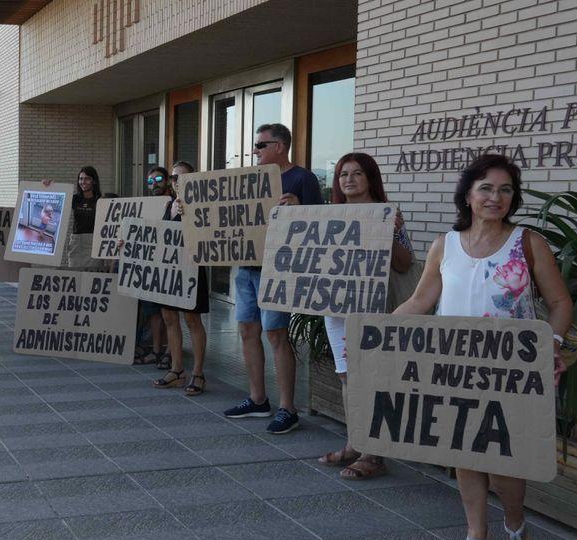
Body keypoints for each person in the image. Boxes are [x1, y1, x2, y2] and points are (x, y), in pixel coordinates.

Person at [394, 154, 571, 540]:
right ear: (468, 195)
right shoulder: (445, 245)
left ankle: (514, 524)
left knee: (507, 459)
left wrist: (551, 345)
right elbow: (421, 302)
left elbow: (560, 303)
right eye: (487, 188)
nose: (496, 197)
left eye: (505, 190)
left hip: (511, 371)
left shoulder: (528, 243)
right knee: (464, 452)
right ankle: (476, 534)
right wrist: (375, 335)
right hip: (454, 369)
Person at [316, 152, 415, 480]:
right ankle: (355, 443)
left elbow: (404, 264)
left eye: (357, 173)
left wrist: (388, 233)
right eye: (343, 173)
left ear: (370, 178)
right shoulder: (329, 216)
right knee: (347, 377)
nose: (349, 179)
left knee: (373, 379)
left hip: (375, 308)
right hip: (338, 309)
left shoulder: (389, 214)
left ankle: (374, 454)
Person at [224, 123, 323, 434]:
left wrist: (299, 209)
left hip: (277, 269)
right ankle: (257, 399)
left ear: (280, 146)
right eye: (257, 145)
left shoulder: (302, 178)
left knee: (276, 334)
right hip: (247, 268)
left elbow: (319, 223)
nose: (256, 151)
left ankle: (287, 408)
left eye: (261, 145)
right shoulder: (250, 181)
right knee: (246, 330)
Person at [151, 162, 209, 395]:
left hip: (192, 269)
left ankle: (198, 372)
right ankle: (176, 370)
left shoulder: (201, 204)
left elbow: (207, 235)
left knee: (192, 320)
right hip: (170, 271)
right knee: (169, 318)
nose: (176, 182)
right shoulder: (168, 204)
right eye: (174, 178)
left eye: (181, 178)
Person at [135, 167, 170, 369]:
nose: (154, 184)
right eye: (150, 181)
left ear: (166, 180)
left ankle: (169, 352)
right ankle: (157, 351)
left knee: (170, 314)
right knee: (153, 312)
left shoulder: (175, 203)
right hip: (151, 265)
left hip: (170, 264)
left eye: (157, 179)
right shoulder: (146, 205)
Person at [71, 166, 101, 235]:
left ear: (94, 181)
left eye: (87, 179)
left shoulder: (100, 201)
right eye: (81, 179)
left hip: (93, 239)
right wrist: (48, 186)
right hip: (76, 239)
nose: (83, 182)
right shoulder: (74, 199)